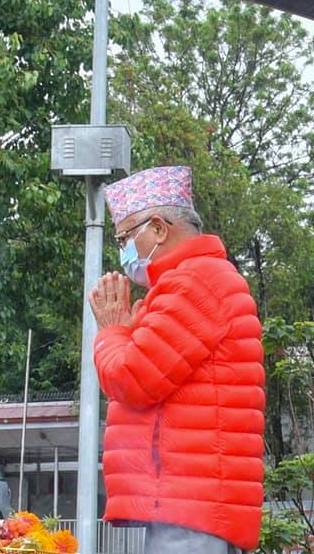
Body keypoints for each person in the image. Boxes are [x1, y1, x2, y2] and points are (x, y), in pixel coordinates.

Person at [89, 166, 265, 554]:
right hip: (190, 502)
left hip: (191, 504)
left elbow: (131, 380)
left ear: (158, 228)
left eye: (126, 236)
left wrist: (112, 330)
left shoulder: (194, 282)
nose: (124, 250)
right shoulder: (193, 282)